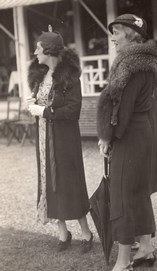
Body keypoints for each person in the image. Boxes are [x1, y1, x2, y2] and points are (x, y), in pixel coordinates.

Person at [96, 14, 157, 271]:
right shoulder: (147, 62)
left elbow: (120, 111)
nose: (112, 37)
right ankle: (146, 248)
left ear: (132, 35)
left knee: (123, 195)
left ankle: (123, 265)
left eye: (117, 32)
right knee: (138, 191)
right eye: (112, 31)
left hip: (130, 135)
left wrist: (107, 137)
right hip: (142, 132)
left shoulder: (133, 64)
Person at [27, 27, 93, 253]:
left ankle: (86, 233)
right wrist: (33, 103)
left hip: (64, 139)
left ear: (48, 49)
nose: (35, 51)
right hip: (45, 137)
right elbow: (40, 104)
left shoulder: (69, 77)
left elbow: (73, 109)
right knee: (48, 182)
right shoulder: (39, 75)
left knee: (69, 182)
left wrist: (43, 111)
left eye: (38, 47)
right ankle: (63, 233)